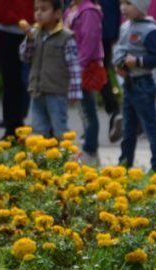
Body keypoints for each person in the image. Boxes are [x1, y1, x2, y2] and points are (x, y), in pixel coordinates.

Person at [114, 0, 156, 171]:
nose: (123, 7)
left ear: (141, 6)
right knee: (128, 128)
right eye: (122, 3)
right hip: (129, 83)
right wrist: (119, 64)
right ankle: (124, 164)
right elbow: (121, 49)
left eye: (129, 3)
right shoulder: (125, 26)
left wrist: (138, 61)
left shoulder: (151, 30)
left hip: (143, 84)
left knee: (150, 127)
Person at [20, 0, 82, 139]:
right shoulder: (35, 33)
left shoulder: (66, 37)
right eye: (36, 9)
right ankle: (42, 153)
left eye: (43, 9)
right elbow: (25, 57)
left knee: (60, 129)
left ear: (57, 13)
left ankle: (64, 151)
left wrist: (75, 92)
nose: (38, 13)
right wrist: (29, 40)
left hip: (57, 93)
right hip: (37, 91)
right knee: (38, 131)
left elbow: (74, 66)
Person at [65, 0, 105, 165]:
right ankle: (90, 152)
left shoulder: (89, 11)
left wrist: (78, 67)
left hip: (85, 68)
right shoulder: (71, 9)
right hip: (74, 66)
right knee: (83, 110)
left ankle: (91, 150)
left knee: (88, 110)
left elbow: (89, 42)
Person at [0, 0, 34, 140]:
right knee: (10, 82)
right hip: (5, 28)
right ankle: (11, 130)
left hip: (34, 28)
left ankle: (49, 132)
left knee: (40, 81)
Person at [98, 0, 123, 141]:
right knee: (102, 71)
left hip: (91, 27)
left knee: (96, 73)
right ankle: (114, 109)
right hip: (108, 28)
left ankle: (113, 109)